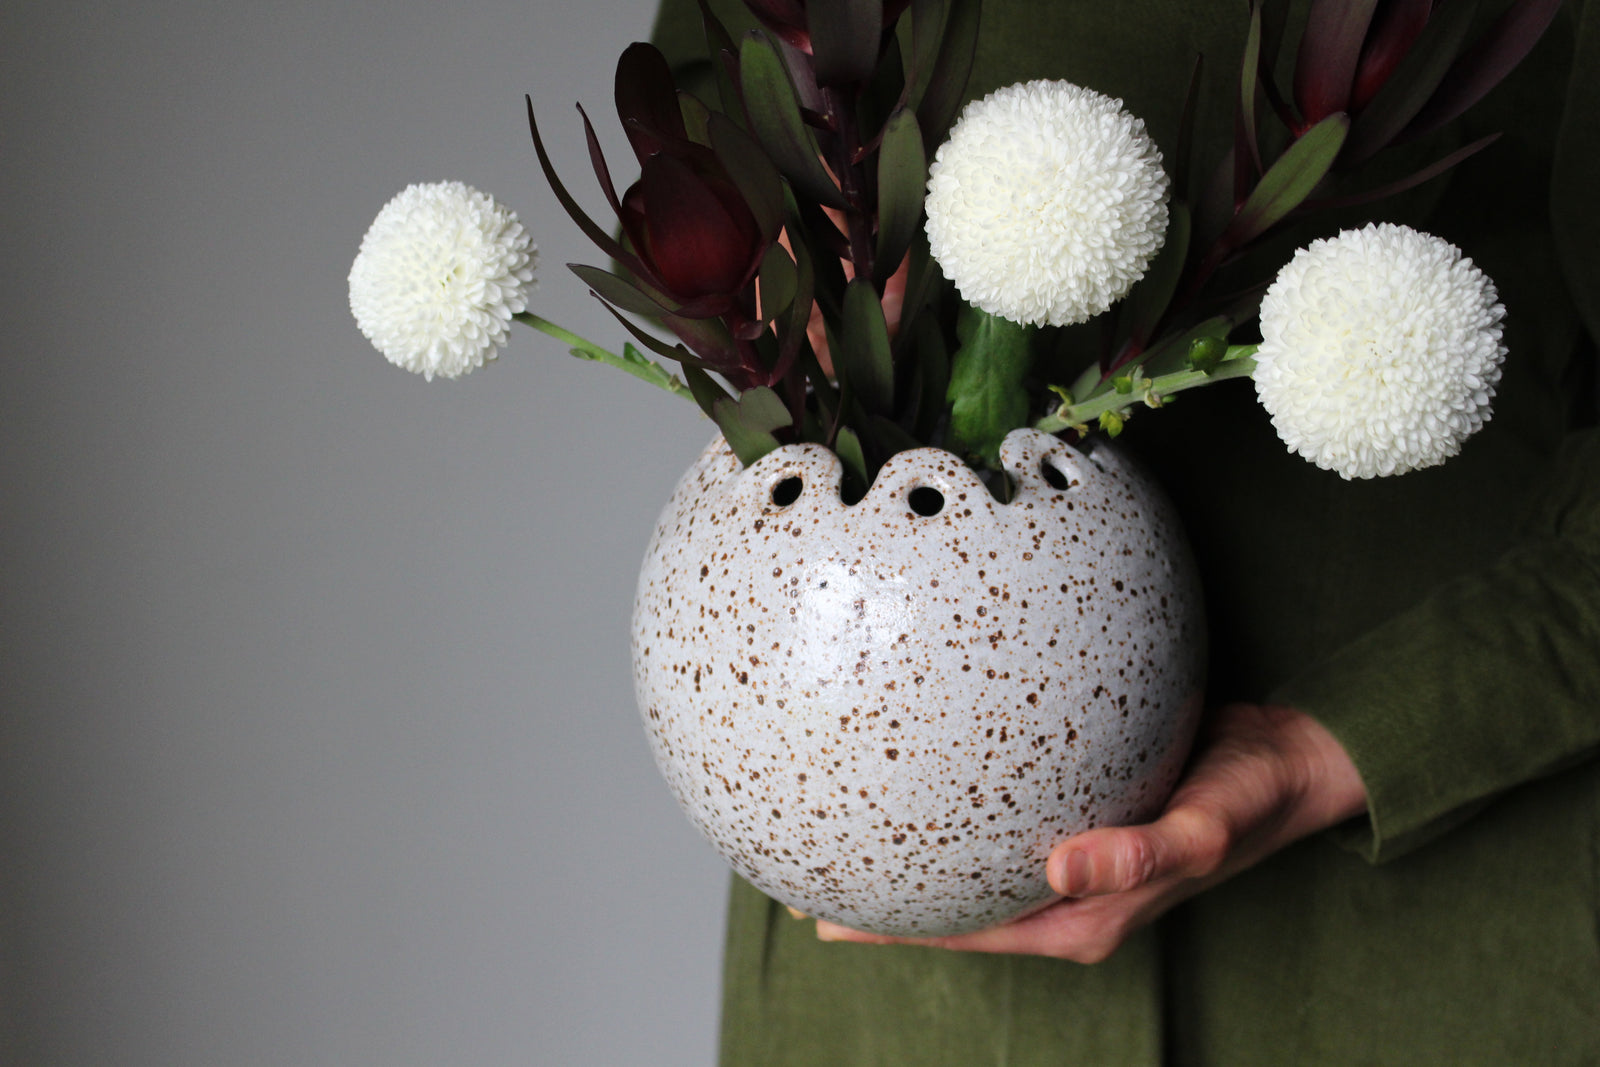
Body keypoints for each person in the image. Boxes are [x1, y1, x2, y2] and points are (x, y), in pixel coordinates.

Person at [647, 1, 1600, 1062]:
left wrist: (1346, 744)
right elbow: (701, 74)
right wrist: (802, 257)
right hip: (895, 961)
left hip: (1408, 911)